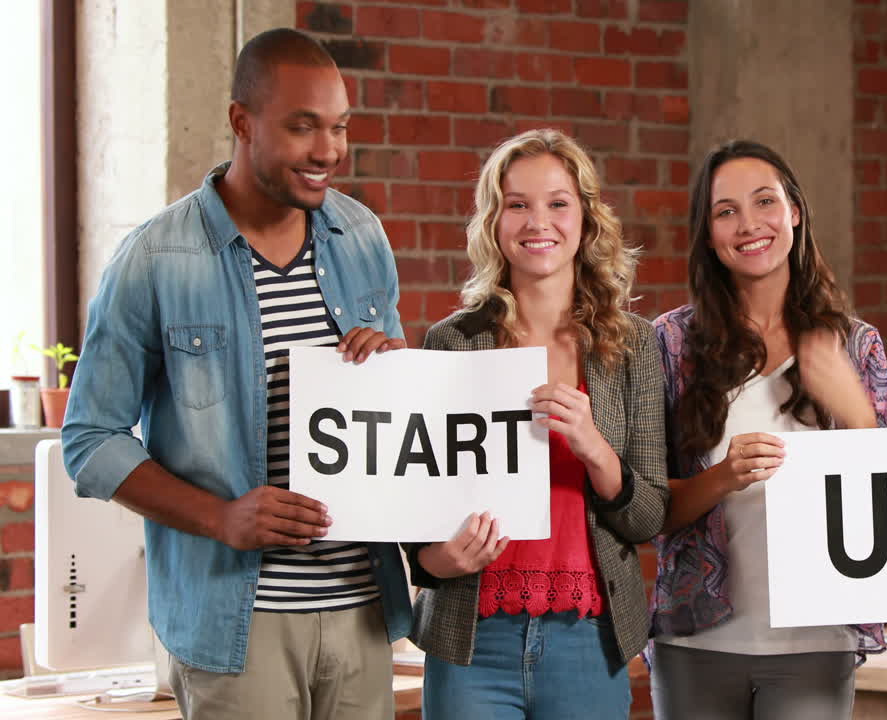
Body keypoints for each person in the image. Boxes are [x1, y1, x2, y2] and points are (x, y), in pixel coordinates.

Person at [61, 28, 412, 720]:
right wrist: (221, 517)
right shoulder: (155, 257)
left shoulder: (363, 236)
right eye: (303, 127)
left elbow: (390, 419)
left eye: (339, 127)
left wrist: (395, 373)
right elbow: (89, 439)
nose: (329, 151)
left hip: (362, 614)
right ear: (241, 122)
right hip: (236, 627)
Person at [402, 128, 668, 720]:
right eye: (516, 204)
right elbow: (414, 514)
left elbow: (650, 515)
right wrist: (435, 563)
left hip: (587, 639)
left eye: (557, 203)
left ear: (586, 218)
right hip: (471, 641)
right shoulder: (452, 343)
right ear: (494, 222)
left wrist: (596, 450)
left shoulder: (632, 347)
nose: (535, 221)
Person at [648, 140, 887, 720]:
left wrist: (857, 418)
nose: (749, 223)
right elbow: (642, 509)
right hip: (696, 643)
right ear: (708, 235)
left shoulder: (855, 346)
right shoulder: (669, 345)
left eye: (765, 202)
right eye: (725, 211)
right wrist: (724, 477)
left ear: (795, 212)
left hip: (816, 640)